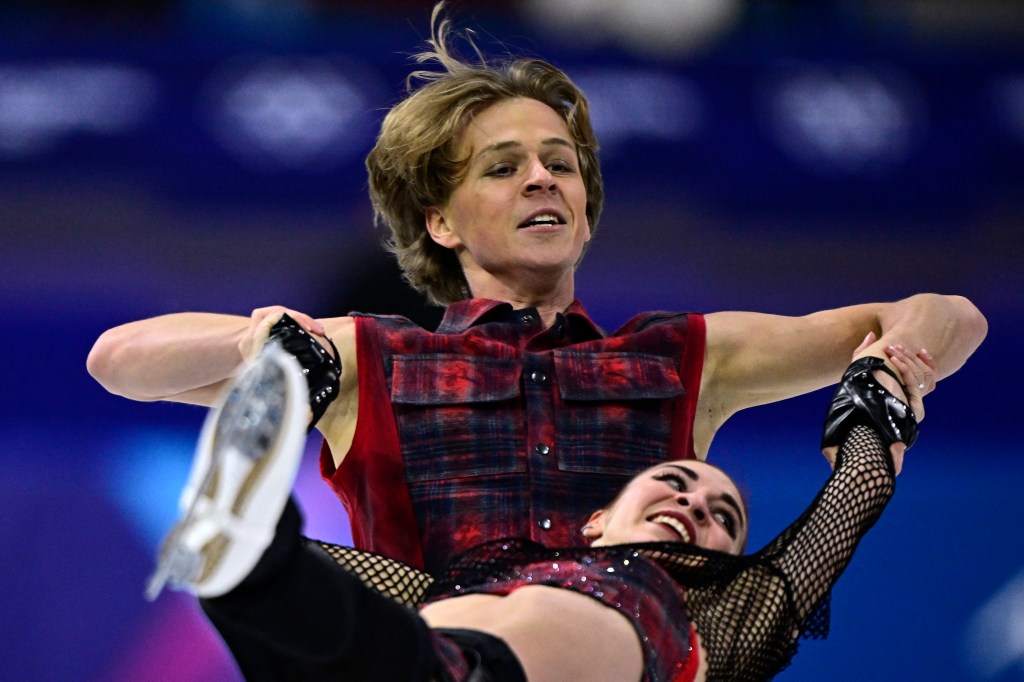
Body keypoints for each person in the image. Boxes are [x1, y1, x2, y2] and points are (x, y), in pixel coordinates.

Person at [86, 3, 988, 575]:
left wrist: (899, 367)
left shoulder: (680, 358)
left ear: (589, 212)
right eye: (504, 167)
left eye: (561, 165)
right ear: (440, 221)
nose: (542, 181)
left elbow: (950, 316)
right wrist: (269, 343)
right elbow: (120, 361)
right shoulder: (375, 356)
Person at [150, 334, 931, 681]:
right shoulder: (487, 577)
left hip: (459, 672)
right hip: (414, 657)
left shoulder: (733, 613)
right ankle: (243, 556)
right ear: (598, 518)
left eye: (724, 515)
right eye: (675, 483)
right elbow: (353, 580)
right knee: (294, 613)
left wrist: (879, 400)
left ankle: (250, 558)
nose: (696, 507)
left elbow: (853, 499)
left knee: (385, 646)